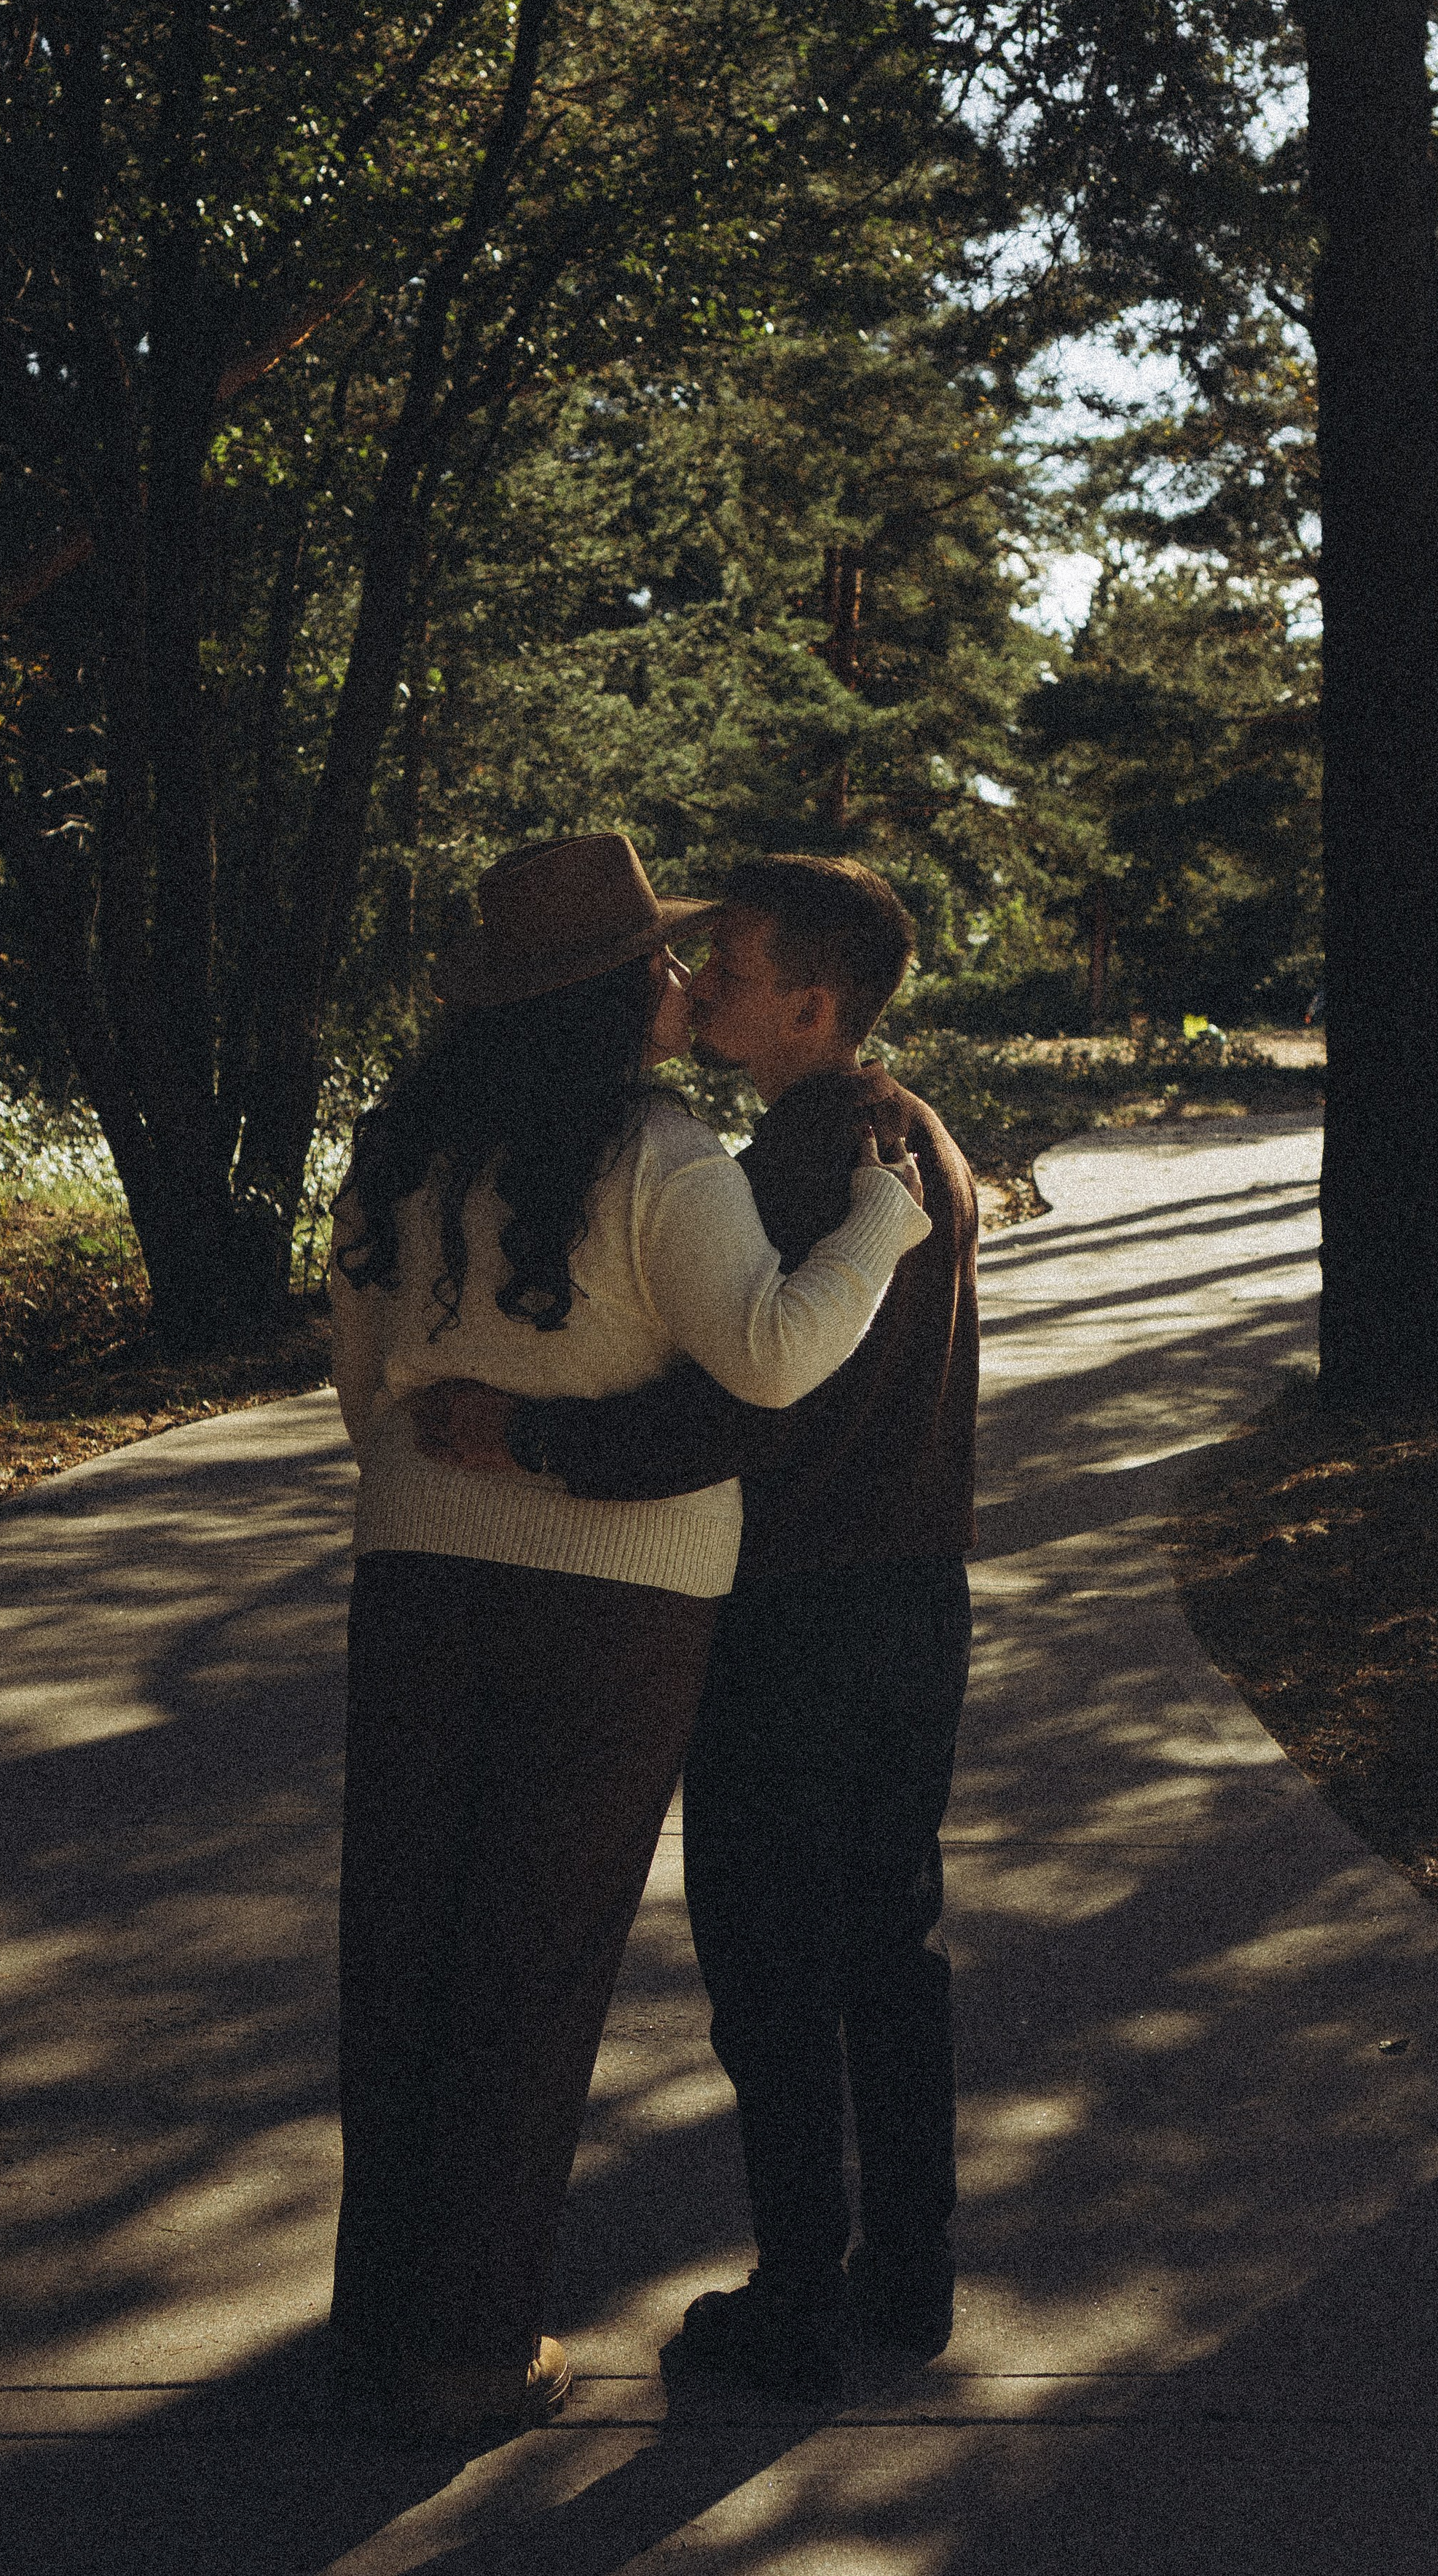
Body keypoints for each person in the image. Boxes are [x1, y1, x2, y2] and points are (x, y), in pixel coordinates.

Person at [323, 833, 930, 2438]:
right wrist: (882, 1226)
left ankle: (366, 2323)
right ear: (606, 995)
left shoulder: (399, 1146)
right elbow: (768, 1360)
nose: (682, 977)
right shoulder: (665, 1155)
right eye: (661, 960)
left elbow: (358, 1385)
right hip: (622, 1605)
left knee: (398, 1950)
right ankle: (466, 2351)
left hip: (414, 1580)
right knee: (532, 1969)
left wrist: (461, 1458)